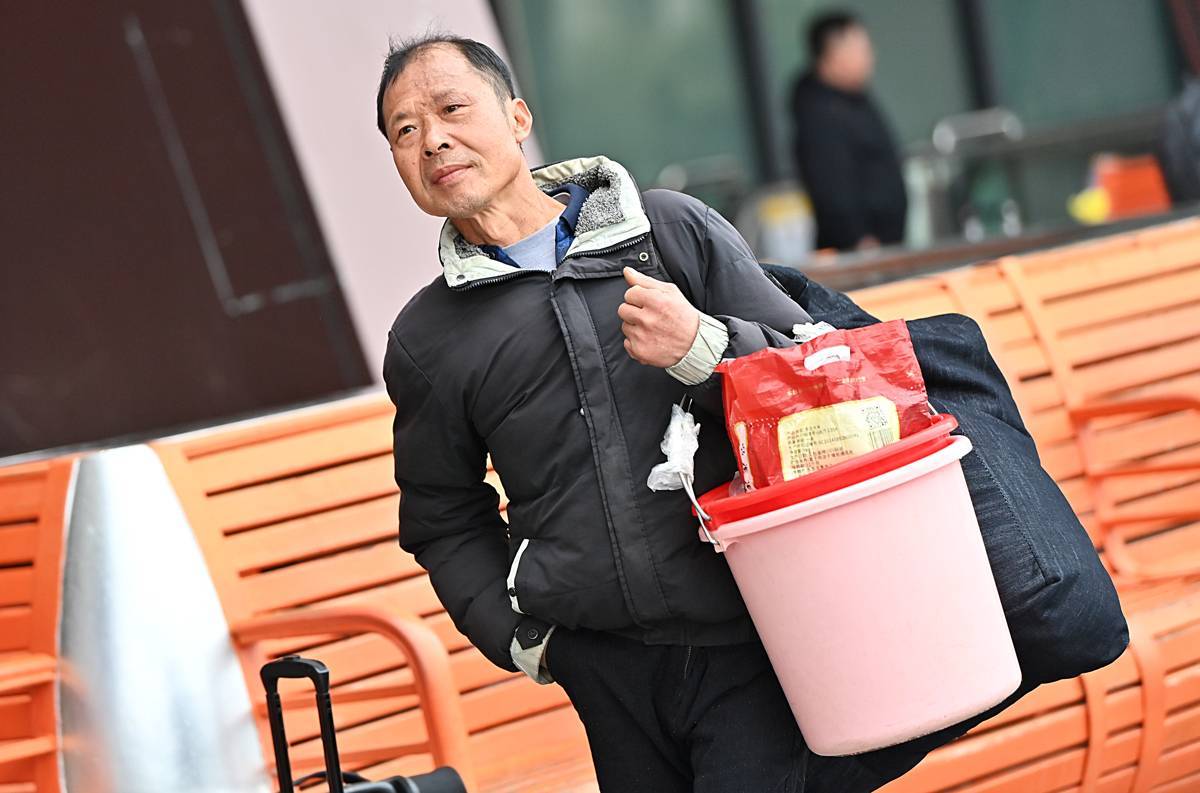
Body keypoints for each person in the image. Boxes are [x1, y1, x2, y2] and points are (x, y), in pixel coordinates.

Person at [377, 33, 918, 792]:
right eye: (405, 130)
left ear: (519, 118)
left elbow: (832, 385)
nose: (432, 139)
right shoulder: (427, 338)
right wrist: (528, 640)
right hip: (607, 671)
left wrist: (703, 346)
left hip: (755, 636)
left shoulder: (668, 231)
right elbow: (442, 515)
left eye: (452, 108)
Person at [789, 11, 907, 251]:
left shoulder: (855, 100)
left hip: (885, 243)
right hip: (860, 249)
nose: (871, 57)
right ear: (834, 53)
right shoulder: (819, 112)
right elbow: (830, 184)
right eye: (861, 49)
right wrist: (857, 237)